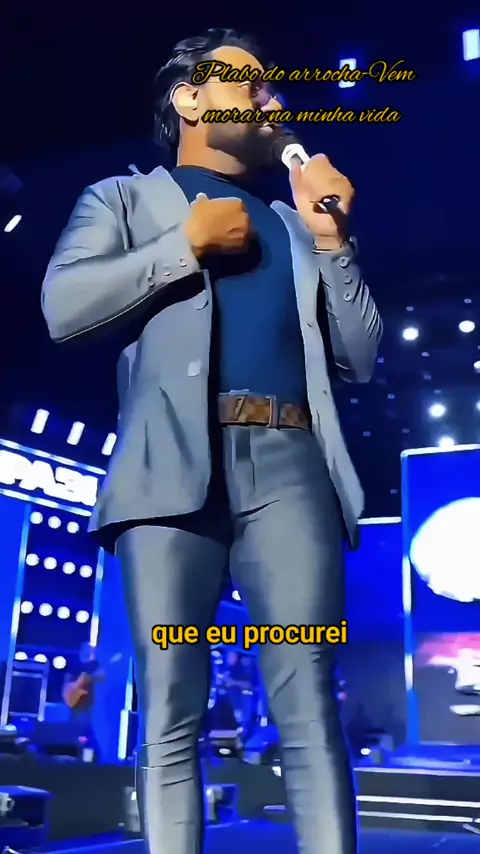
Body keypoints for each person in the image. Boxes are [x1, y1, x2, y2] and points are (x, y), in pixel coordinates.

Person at [41, 28, 382, 854]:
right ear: (189, 97)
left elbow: (361, 356)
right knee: (169, 705)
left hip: (292, 468)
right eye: (249, 83)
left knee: (309, 704)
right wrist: (183, 247)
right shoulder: (121, 200)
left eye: (273, 90)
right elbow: (62, 307)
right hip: (166, 471)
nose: (271, 98)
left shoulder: (293, 224)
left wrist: (334, 240)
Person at [63, 642, 104, 757]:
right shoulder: (75, 667)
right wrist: (79, 684)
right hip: (79, 707)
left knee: (86, 733)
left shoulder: (95, 666)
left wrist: (90, 678)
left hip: (90, 708)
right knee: (77, 731)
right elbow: (68, 688)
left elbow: (102, 677)